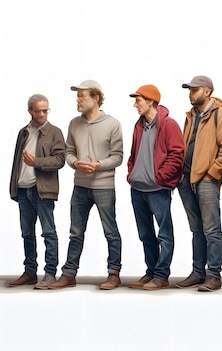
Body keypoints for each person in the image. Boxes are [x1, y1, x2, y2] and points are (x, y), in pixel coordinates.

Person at [50, 80, 124, 290]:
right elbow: (69, 152)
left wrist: (98, 165)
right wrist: (76, 163)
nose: (78, 99)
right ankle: (69, 274)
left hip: (104, 187)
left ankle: (114, 273)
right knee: (75, 232)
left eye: (82, 96)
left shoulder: (113, 124)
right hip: (80, 186)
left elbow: (118, 157)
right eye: (77, 96)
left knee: (110, 231)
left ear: (96, 98)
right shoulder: (74, 123)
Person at [176, 75, 222, 292]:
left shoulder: (221, 114)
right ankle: (197, 272)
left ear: (207, 91)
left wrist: (212, 174)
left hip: (205, 180)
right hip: (186, 180)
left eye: (195, 90)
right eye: (189, 90)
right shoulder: (190, 116)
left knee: (212, 230)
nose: (190, 93)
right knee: (196, 230)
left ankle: (213, 275)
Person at [127, 85, 184, 290]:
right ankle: (150, 272)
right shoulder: (138, 125)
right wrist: (131, 174)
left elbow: (177, 154)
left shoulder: (169, 124)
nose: (135, 104)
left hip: (158, 190)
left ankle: (161, 276)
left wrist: (160, 178)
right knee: (145, 234)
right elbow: (133, 154)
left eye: (138, 100)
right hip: (137, 189)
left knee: (164, 234)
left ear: (150, 101)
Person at [9, 94, 65, 289]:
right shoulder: (23, 132)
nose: (43, 114)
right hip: (23, 190)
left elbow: (60, 160)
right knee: (27, 233)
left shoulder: (55, 132)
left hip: (42, 190)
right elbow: (16, 162)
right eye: (39, 110)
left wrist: (37, 162)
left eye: (46, 110)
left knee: (48, 232)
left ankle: (50, 273)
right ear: (30, 111)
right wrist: (14, 187)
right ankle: (30, 272)